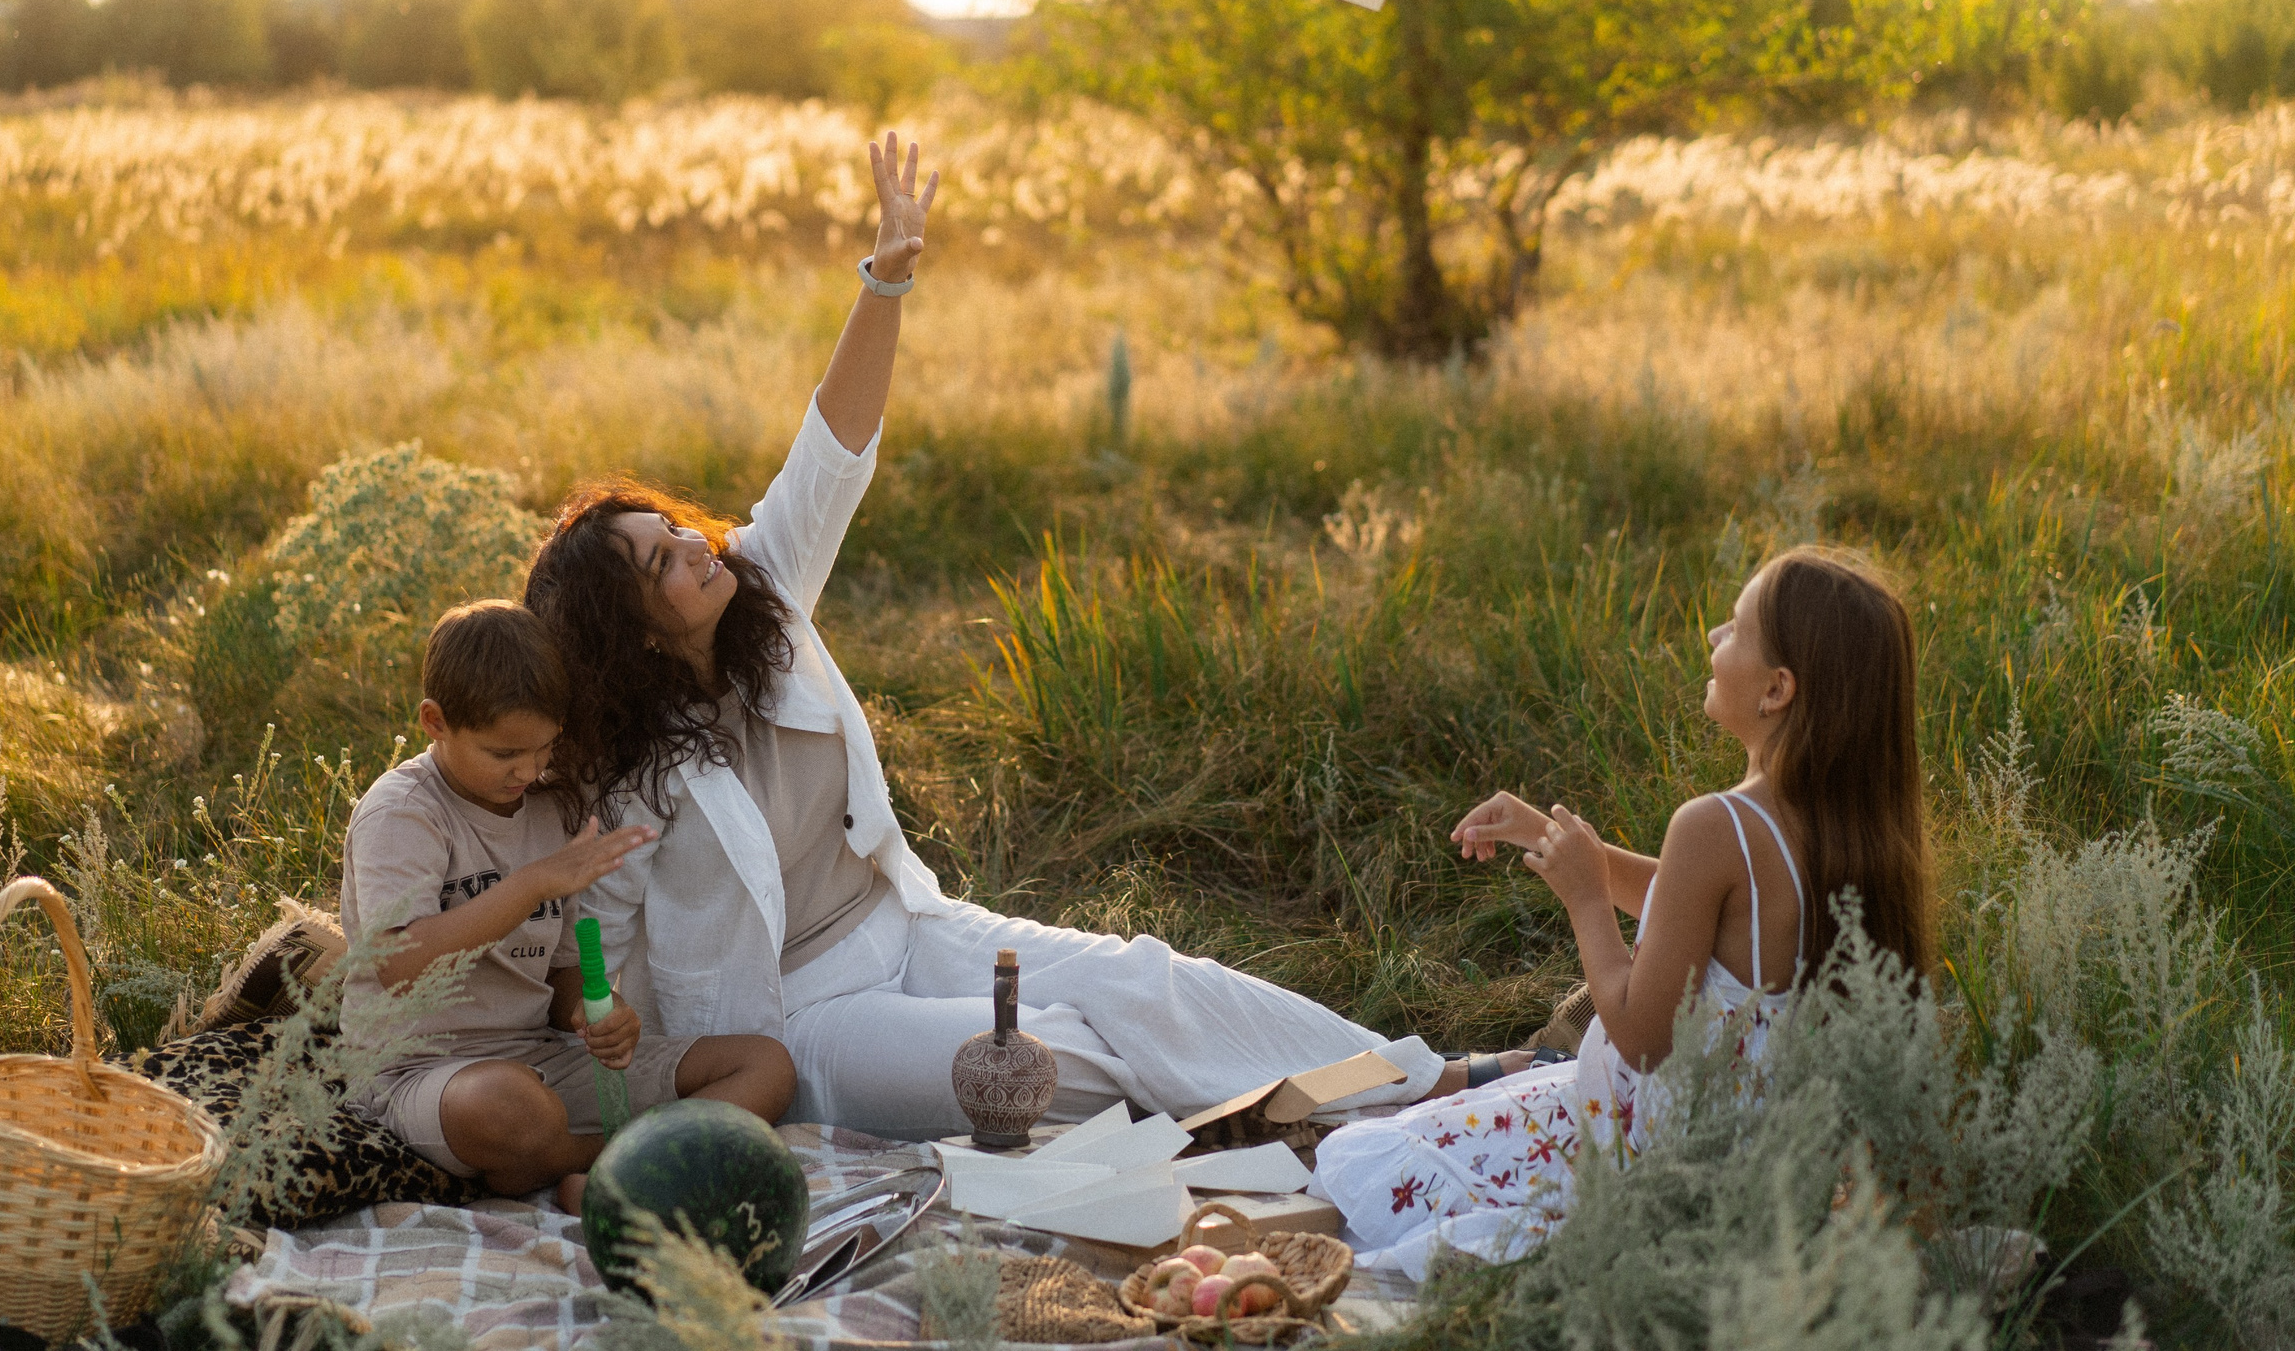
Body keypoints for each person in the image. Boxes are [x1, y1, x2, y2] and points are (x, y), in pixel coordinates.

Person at [522, 132, 1521, 1140]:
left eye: (674, 530)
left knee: (1143, 981)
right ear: (634, 638)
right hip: (804, 1019)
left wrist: (885, 279)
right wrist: (618, 1071)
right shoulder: (628, 785)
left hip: (906, 929)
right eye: (661, 564)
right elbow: (601, 966)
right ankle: (1293, 1120)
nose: (695, 547)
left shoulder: (761, 591)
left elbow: (835, 451)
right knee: (1037, 1057)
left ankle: (1428, 1083)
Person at [1309, 547, 1937, 1273]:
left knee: (1382, 1153)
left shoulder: (1715, 825)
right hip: (1751, 1153)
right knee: (1453, 1121)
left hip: (1653, 1144)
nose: (1711, 637)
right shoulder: (1847, 827)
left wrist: (1584, 896)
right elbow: (1695, 912)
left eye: (1732, 629)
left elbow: (1641, 1035)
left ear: (1776, 690)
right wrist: (1567, 844)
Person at [339, 599, 794, 1210]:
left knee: (765, 1065)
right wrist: (532, 883)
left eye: (545, 748)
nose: (528, 770)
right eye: (504, 754)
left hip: (536, 1058)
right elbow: (396, 965)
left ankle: (607, 1169)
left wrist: (597, 1011)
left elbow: (554, 979)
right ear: (435, 722)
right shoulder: (405, 812)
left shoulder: (548, 808)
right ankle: (628, 1165)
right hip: (421, 1073)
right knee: (508, 1108)